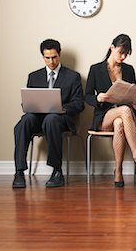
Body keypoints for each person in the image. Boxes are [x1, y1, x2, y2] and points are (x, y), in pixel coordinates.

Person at [13, 39, 84, 188]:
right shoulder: (34, 76)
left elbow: (79, 104)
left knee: (51, 119)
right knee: (24, 121)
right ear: (43, 57)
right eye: (47, 58)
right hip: (38, 118)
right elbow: (30, 99)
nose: (51, 61)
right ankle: (19, 171)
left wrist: (62, 108)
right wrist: (27, 104)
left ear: (59, 55)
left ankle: (57, 171)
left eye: (54, 57)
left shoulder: (73, 76)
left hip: (61, 119)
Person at [85, 34, 136, 187]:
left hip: (122, 117)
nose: (123, 57)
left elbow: (132, 94)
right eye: (120, 52)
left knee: (119, 123)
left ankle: (118, 172)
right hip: (103, 117)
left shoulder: (129, 70)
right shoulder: (96, 69)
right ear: (112, 48)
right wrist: (97, 98)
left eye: (126, 54)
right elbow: (87, 96)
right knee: (123, 111)